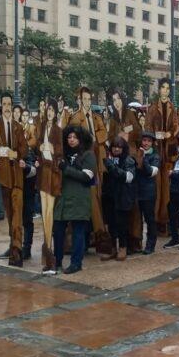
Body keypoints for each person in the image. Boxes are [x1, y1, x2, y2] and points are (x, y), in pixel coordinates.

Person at [69, 86, 110, 257]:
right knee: (88, 201)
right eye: (84, 99)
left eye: (88, 99)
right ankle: (89, 240)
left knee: (98, 199)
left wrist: (94, 138)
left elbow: (104, 132)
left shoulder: (96, 116)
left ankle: (93, 238)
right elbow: (74, 140)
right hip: (84, 164)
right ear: (79, 100)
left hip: (98, 163)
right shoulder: (75, 118)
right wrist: (89, 140)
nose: (87, 102)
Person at [0, 92, 29, 267]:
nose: (7, 107)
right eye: (4, 104)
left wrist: (17, 154)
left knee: (17, 216)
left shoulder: (18, 127)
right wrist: (10, 152)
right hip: (4, 178)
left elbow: (24, 148)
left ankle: (17, 251)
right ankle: (13, 244)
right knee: (10, 215)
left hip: (18, 179)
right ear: (1, 106)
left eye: (9, 104)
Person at [53, 126, 96, 274]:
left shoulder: (88, 155)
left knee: (78, 232)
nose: (71, 140)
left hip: (79, 198)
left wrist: (66, 169)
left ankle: (76, 263)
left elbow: (86, 177)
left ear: (81, 139)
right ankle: (56, 260)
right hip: (62, 199)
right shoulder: (62, 155)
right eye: (69, 137)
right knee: (57, 230)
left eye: (75, 137)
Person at [108, 90, 143, 252]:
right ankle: (120, 243)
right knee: (119, 204)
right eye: (113, 99)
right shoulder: (113, 119)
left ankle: (134, 241)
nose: (116, 102)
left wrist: (125, 131)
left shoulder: (130, 113)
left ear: (122, 99)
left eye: (118, 99)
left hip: (130, 159)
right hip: (118, 161)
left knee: (133, 204)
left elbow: (138, 132)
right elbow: (110, 138)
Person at [35, 99, 63, 273]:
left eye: (52, 109)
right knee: (44, 212)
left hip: (52, 174)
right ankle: (47, 250)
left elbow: (60, 151)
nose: (50, 112)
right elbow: (37, 147)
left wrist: (52, 148)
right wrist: (40, 148)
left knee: (49, 213)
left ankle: (50, 252)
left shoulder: (58, 130)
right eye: (48, 109)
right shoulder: (42, 127)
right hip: (42, 172)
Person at [101, 137, 136, 261]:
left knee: (122, 225)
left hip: (123, 197)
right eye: (114, 146)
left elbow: (129, 177)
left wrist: (112, 168)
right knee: (111, 225)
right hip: (110, 198)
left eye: (119, 147)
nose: (116, 149)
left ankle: (123, 248)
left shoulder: (128, 160)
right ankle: (113, 249)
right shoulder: (109, 160)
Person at [136, 132, 161, 254]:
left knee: (149, 219)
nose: (145, 143)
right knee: (136, 219)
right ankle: (137, 243)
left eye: (148, 141)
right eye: (144, 140)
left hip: (148, 192)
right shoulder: (137, 153)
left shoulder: (155, 156)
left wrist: (143, 158)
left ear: (152, 143)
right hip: (136, 191)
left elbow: (151, 172)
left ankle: (151, 244)